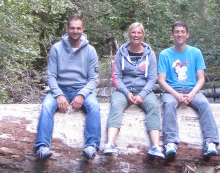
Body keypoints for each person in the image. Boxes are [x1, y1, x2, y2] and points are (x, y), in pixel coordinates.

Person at [35, 15, 101, 160]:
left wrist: (82, 95)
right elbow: (51, 76)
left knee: (94, 106)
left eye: (78, 28)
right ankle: (42, 147)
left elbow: (93, 79)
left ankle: (92, 146)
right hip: (61, 89)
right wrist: (58, 94)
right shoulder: (56, 49)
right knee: (46, 106)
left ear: (82, 29)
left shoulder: (90, 50)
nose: (75, 31)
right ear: (67, 29)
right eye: (72, 28)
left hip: (81, 89)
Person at [157, 21, 219, 159]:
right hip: (172, 91)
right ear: (172, 34)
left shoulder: (195, 52)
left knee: (204, 104)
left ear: (187, 34)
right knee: (169, 104)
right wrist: (176, 95)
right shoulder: (165, 54)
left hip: (192, 90)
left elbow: (201, 79)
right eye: (177, 32)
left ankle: (210, 142)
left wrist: (191, 95)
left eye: (182, 32)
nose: (180, 34)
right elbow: (161, 80)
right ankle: (170, 143)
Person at [103, 22, 164, 159]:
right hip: (124, 90)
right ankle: (110, 143)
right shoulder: (120, 53)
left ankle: (155, 146)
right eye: (133, 32)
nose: (136, 35)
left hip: (144, 90)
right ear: (129, 34)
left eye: (139, 33)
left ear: (143, 35)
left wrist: (142, 95)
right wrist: (126, 93)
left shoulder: (150, 54)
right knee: (116, 105)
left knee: (153, 106)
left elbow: (152, 78)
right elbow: (116, 77)